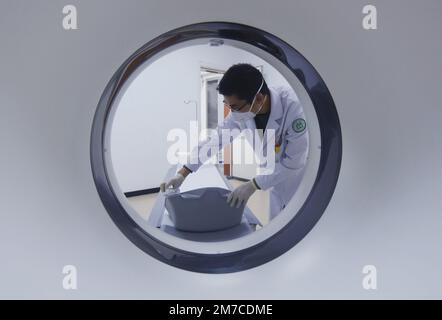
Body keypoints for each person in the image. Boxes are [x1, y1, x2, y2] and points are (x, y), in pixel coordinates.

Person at [163, 63, 309, 220]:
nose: (232, 112)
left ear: (259, 99)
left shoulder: (294, 108)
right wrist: (183, 173)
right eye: (227, 105)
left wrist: (253, 184)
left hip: (301, 182)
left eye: (235, 107)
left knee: (300, 223)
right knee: (279, 223)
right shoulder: (241, 113)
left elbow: (293, 163)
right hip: (276, 182)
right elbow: (215, 141)